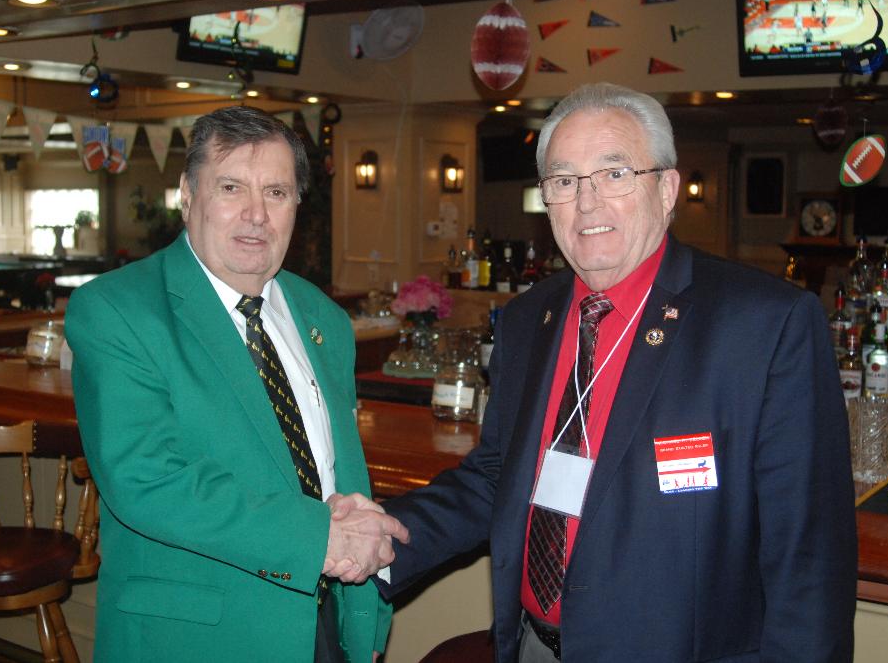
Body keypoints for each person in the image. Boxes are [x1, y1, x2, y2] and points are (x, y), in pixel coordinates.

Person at [344, 82, 857, 661]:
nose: (587, 203)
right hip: (534, 644)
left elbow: (809, 556)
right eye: (564, 182)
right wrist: (385, 536)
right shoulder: (526, 319)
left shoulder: (765, 324)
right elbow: (496, 476)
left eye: (615, 175)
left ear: (665, 189)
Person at [66, 105, 407, 662]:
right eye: (230, 188)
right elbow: (148, 480)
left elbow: (338, 472)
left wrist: (361, 620)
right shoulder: (116, 309)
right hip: (198, 637)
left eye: (276, 192)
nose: (256, 215)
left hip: (321, 624)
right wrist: (319, 538)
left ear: (298, 204)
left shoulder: (325, 319)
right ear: (186, 194)